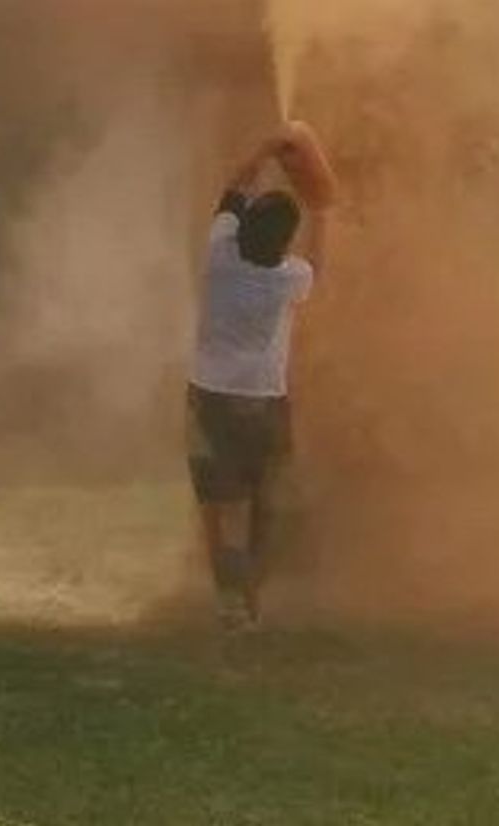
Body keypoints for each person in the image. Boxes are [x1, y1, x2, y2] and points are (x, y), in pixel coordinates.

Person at [188, 124, 332, 632]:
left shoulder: (219, 254)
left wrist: (268, 147)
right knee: (265, 504)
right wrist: (319, 200)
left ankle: (231, 601)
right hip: (264, 404)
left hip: (209, 400)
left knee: (220, 505)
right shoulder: (288, 278)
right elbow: (321, 259)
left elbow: (236, 185)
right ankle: (253, 594)